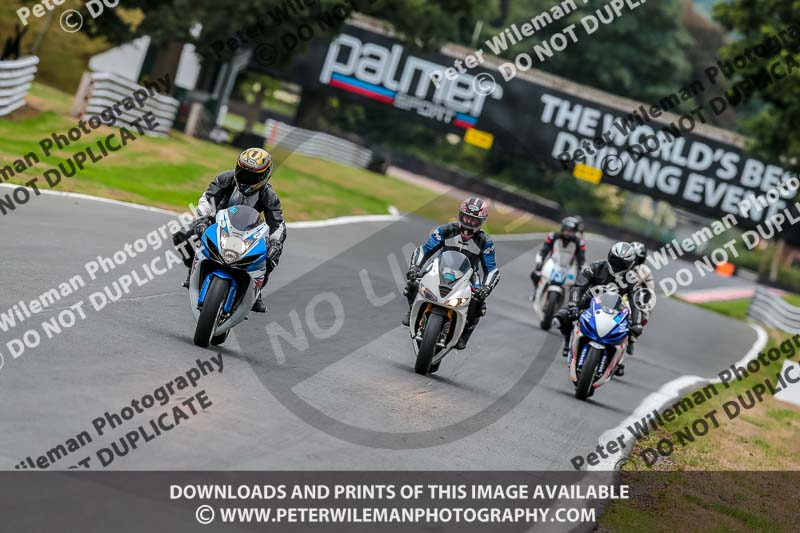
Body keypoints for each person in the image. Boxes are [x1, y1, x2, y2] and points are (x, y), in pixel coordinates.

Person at [172, 148, 287, 314]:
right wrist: (201, 219)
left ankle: (257, 291)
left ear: (264, 176)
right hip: (218, 223)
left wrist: (276, 243)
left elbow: (278, 224)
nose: (245, 179)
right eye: (242, 172)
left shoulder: (268, 195)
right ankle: (193, 270)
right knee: (183, 236)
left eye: (252, 176)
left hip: (249, 232)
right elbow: (207, 199)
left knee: (270, 255)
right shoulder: (225, 178)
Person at [401, 197, 500, 350]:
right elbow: (425, 250)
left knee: (479, 303)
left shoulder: (485, 242)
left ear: (481, 222)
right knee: (413, 283)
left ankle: (466, 332)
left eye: (474, 221)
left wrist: (486, 288)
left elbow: (491, 269)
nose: (469, 223)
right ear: (460, 215)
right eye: (467, 218)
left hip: (469, 275)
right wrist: (414, 267)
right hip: (440, 267)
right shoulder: (444, 231)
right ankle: (411, 309)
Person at [552, 242, 644, 376]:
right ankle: (568, 340)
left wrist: (636, 323)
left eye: (622, 263)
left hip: (616, 309)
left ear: (630, 265)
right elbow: (578, 287)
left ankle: (618, 361)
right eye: (615, 260)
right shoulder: (595, 267)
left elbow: (636, 302)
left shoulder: (632, 279)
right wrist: (574, 304)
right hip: (589, 303)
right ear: (610, 256)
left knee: (630, 331)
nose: (618, 265)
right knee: (560, 318)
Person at [530, 216, 586, 300]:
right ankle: (537, 291)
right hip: (553, 262)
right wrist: (539, 262)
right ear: (562, 228)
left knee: (577, 284)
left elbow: (581, 259)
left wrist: (581, 271)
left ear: (574, 232)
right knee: (535, 274)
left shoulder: (579, 242)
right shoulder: (553, 236)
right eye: (566, 230)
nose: (568, 233)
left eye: (571, 231)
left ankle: (570, 303)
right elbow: (543, 251)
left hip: (569, 266)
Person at [625, 242, 655, 359]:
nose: (634, 260)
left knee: (645, 312)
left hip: (633, 298)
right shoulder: (620, 263)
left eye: (637, 258)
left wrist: (646, 305)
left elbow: (650, 290)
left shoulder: (645, 271)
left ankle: (632, 338)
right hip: (616, 293)